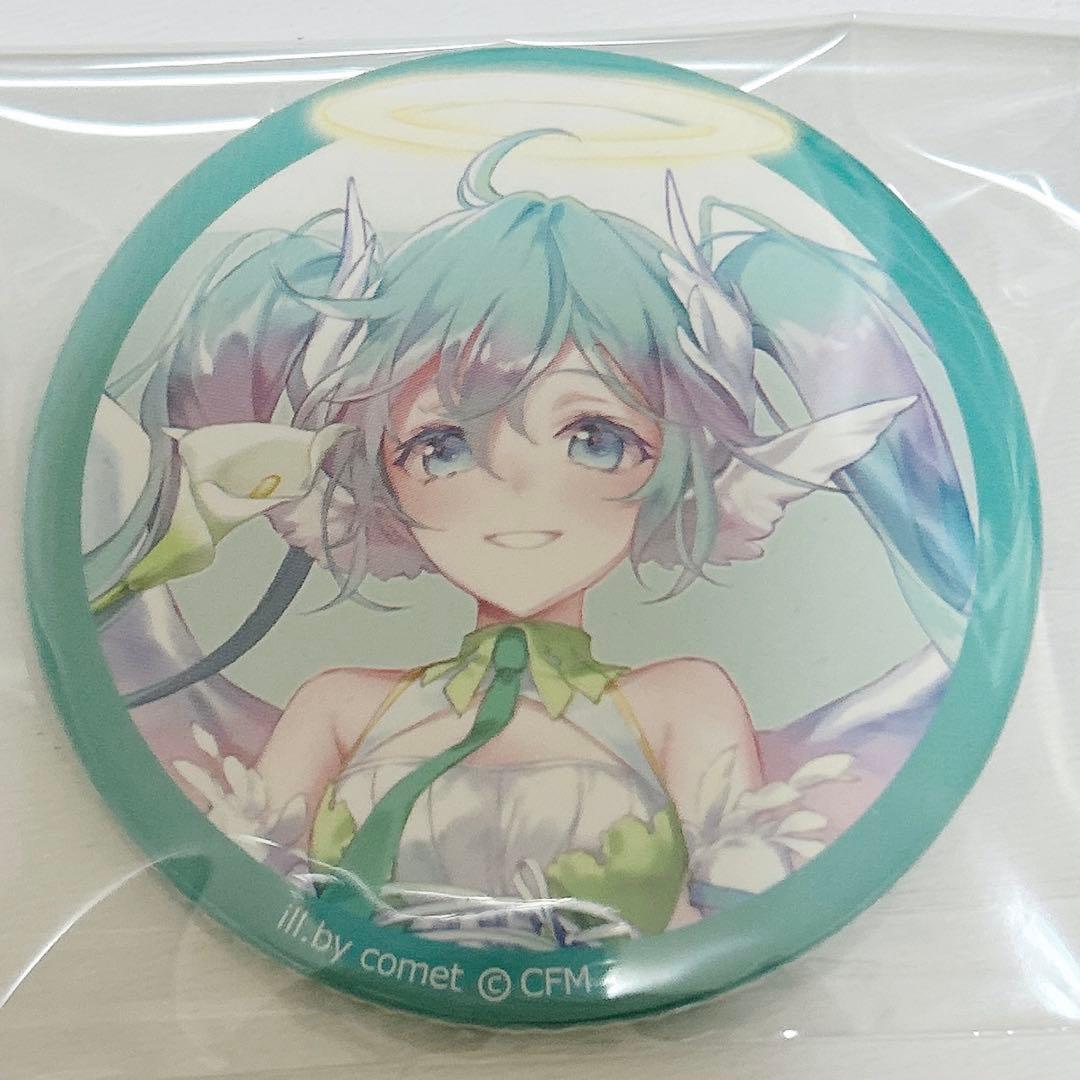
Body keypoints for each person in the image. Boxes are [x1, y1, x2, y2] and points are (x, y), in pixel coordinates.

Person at [97, 130, 974, 947]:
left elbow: (734, 915)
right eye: (442, 447)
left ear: (681, 463)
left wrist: (748, 865)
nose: (518, 491)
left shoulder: (684, 702)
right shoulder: (337, 707)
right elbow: (252, 885)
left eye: (596, 439)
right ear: (377, 476)